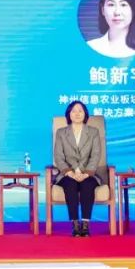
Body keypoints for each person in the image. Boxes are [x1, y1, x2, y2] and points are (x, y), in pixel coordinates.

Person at [52, 100, 102, 237]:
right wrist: (70, 172)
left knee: (87, 185)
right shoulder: (61, 133)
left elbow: (96, 155)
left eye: (80, 111)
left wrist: (86, 173)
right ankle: (75, 224)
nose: (77, 114)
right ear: (69, 114)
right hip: (67, 174)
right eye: (74, 111)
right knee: (70, 185)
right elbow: (58, 156)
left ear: (85, 114)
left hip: (88, 173)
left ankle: (85, 225)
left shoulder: (93, 132)